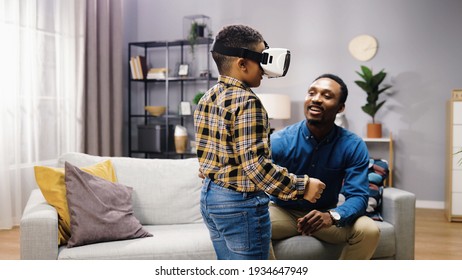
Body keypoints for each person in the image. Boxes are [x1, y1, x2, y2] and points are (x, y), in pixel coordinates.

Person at [193, 24, 325, 260]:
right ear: (242, 64)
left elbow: (207, 154)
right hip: (239, 203)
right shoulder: (247, 102)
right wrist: (302, 186)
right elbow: (256, 167)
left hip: (210, 199)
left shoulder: (207, 97)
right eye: (262, 58)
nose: (265, 68)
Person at [269, 73, 380, 260]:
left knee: (369, 230)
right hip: (283, 212)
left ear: (340, 107)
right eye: (311, 93)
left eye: (327, 96)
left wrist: (333, 216)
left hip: (325, 217)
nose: (316, 99)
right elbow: (260, 179)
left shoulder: (352, 145)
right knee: (250, 224)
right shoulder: (279, 140)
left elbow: (359, 196)